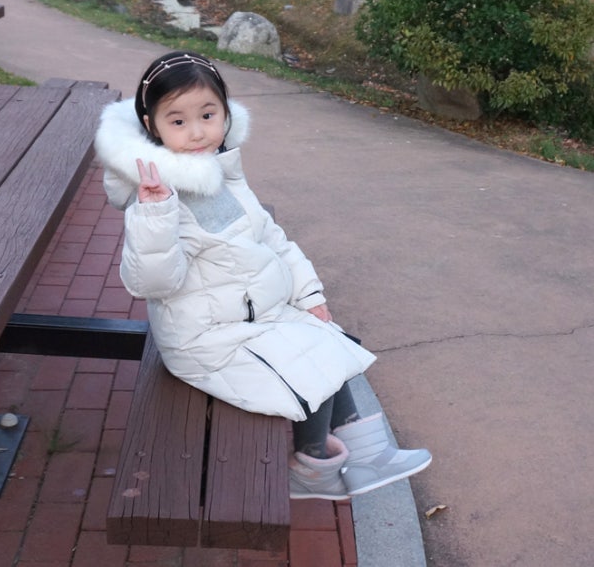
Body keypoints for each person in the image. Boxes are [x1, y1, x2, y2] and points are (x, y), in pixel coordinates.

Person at [95, 50, 431, 500]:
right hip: (205, 338)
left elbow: (272, 237)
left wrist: (308, 294)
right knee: (311, 362)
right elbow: (152, 284)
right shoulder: (158, 196)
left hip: (251, 316)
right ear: (151, 125)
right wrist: (154, 213)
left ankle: (368, 452)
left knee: (330, 338)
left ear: (225, 114)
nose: (197, 132)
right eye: (178, 121)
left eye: (208, 115)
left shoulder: (220, 173)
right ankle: (311, 468)